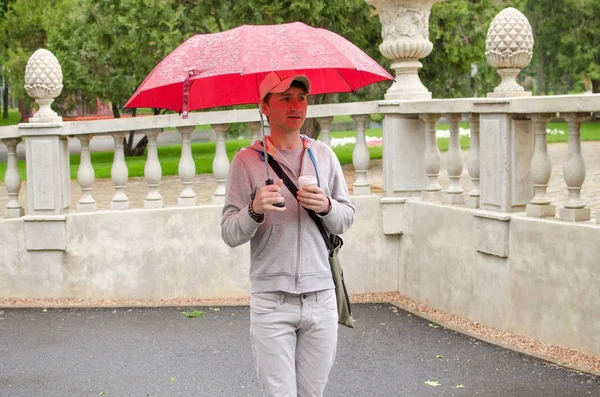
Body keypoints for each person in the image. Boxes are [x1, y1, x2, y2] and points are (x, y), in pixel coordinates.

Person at [220, 72, 355, 397]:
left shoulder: (323, 155)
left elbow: (346, 218)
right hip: (272, 302)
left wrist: (326, 206)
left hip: (321, 298)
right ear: (264, 106)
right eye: (285, 98)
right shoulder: (246, 162)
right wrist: (254, 209)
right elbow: (229, 232)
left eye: (301, 98)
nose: (296, 106)